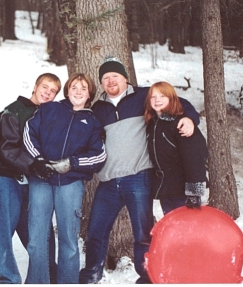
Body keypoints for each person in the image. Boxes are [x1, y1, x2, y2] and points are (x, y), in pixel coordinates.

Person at [79, 56, 200, 284]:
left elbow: (179, 103)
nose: (111, 81)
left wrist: (190, 119)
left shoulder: (144, 97)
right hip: (108, 182)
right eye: (106, 78)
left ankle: (146, 275)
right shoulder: (97, 109)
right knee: (95, 231)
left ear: (126, 78)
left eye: (115, 76)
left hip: (138, 178)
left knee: (143, 233)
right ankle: (91, 275)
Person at [23, 73, 107, 284]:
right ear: (67, 90)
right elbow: (28, 133)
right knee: (36, 240)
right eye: (74, 87)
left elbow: (99, 155)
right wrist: (38, 160)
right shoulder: (50, 109)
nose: (78, 92)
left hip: (70, 183)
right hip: (41, 179)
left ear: (90, 94)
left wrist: (72, 163)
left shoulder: (93, 121)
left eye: (83, 88)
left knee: (69, 240)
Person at [0, 73, 61, 284]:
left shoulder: (50, 115)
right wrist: (32, 165)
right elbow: (6, 147)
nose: (47, 93)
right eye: (44, 87)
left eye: (52, 91)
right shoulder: (14, 111)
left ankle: (48, 273)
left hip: (34, 181)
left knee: (40, 230)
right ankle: (7, 277)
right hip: (7, 177)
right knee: (3, 228)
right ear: (35, 86)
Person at [144, 81, 208, 215]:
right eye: (153, 97)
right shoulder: (153, 123)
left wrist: (194, 193)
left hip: (183, 191)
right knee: (172, 229)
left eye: (162, 96)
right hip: (166, 190)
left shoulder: (181, 124)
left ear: (171, 99)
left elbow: (195, 158)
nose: (157, 100)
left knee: (188, 229)